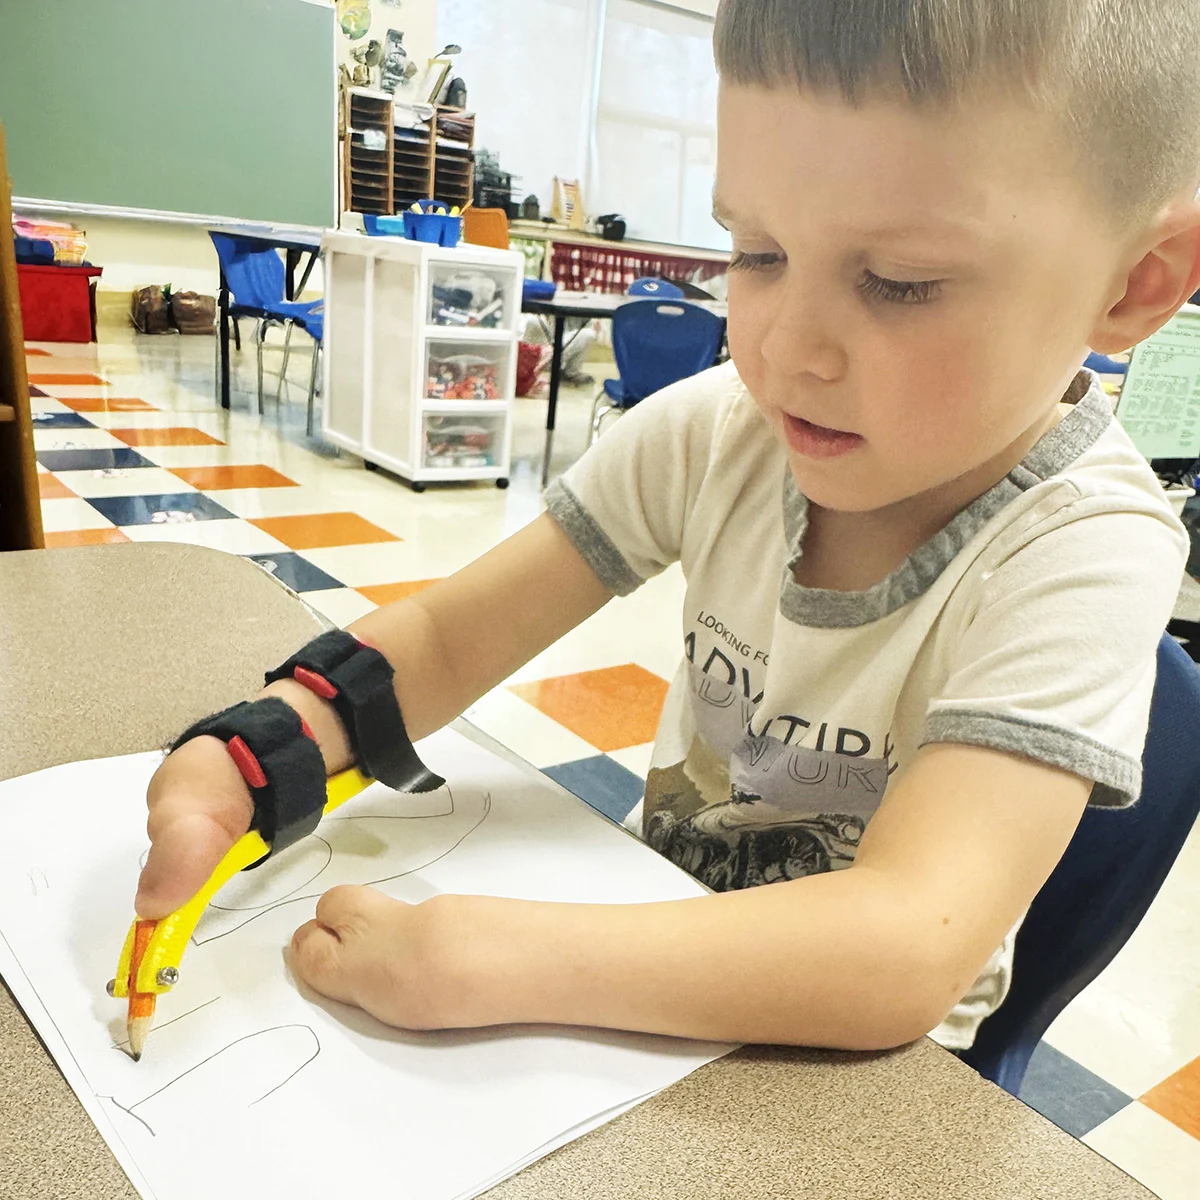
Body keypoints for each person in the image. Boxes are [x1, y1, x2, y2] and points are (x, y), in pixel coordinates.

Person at [136, 0, 1200, 1051]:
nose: (787, 351)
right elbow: (453, 638)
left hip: (857, 1090)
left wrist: (495, 959)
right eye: (757, 251)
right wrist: (263, 747)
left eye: (900, 283)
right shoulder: (720, 434)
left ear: (1136, 283)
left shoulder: (1090, 549)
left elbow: (903, 949)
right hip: (647, 990)